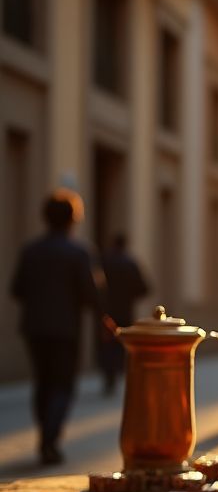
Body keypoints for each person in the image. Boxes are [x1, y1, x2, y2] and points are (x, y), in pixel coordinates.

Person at [9, 189, 101, 465]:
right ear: (73, 218)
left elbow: (17, 289)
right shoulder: (79, 252)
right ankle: (50, 438)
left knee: (43, 381)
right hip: (65, 329)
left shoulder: (30, 250)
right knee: (63, 384)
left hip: (35, 327)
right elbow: (90, 295)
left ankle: (45, 436)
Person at [98, 233, 149, 394]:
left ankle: (109, 375)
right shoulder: (130, 263)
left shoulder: (104, 262)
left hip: (107, 312)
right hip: (125, 310)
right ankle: (119, 370)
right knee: (122, 343)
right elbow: (143, 288)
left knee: (107, 343)